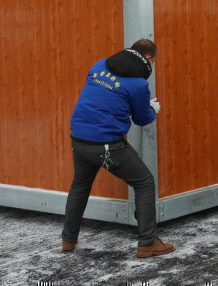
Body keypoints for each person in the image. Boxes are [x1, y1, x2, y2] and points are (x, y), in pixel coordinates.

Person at [61, 39, 174, 258]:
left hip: (79, 139)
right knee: (144, 182)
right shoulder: (139, 84)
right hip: (106, 145)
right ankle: (147, 243)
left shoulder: (99, 65)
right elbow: (141, 119)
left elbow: (102, 100)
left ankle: (68, 239)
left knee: (80, 186)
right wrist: (151, 108)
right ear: (149, 58)